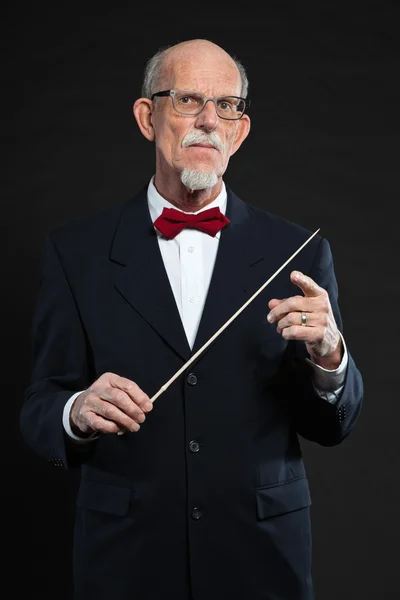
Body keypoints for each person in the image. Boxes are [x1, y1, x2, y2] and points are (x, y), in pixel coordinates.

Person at [20, 38, 363, 600]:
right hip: (125, 559)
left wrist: (330, 359)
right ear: (146, 117)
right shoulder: (74, 252)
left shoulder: (298, 251)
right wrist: (75, 410)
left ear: (240, 131)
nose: (209, 119)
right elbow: (40, 406)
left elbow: (332, 425)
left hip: (261, 558)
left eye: (226, 106)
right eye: (187, 101)